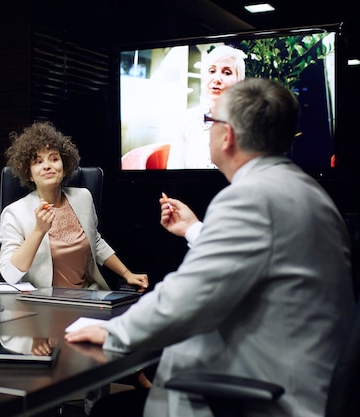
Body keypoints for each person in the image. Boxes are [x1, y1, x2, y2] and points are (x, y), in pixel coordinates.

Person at [65, 78, 355, 417]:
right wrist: (194, 229)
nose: (208, 130)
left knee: (107, 412)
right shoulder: (303, 192)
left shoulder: (250, 198)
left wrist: (112, 331)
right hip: (301, 379)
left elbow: (187, 298)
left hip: (261, 393)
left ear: (228, 135)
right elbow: (265, 261)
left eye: (210, 121)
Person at [0, 120, 149, 292]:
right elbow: (9, 275)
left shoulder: (83, 197)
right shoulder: (14, 213)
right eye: (38, 162)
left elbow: (96, 242)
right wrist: (39, 231)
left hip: (88, 297)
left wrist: (127, 273)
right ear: (29, 174)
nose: (47, 166)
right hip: (43, 304)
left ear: (64, 165)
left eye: (54, 159)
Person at [166, 44, 246, 169]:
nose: (217, 79)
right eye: (212, 71)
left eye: (226, 72)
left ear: (239, 81)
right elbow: (173, 177)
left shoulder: (251, 122)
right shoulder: (185, 120)